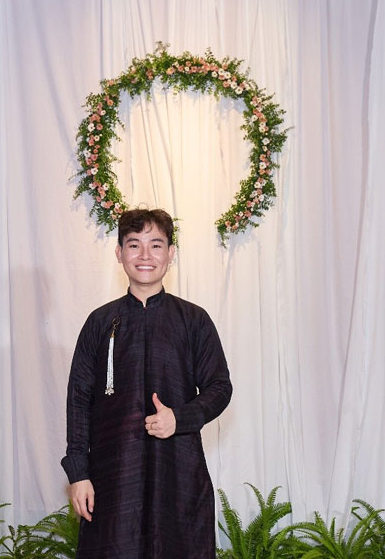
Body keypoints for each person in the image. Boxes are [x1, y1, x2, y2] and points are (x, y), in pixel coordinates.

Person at [62, 208, 233, 558]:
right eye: (134, 245)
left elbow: (219, 387)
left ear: (171, 253)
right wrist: (79, 473)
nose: (145, 255)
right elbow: (79, 400)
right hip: (112, 474)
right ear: (119, 253)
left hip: (178, 470)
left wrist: (179, 418)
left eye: (155, 245)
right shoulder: (99, 323)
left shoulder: (193, 320)